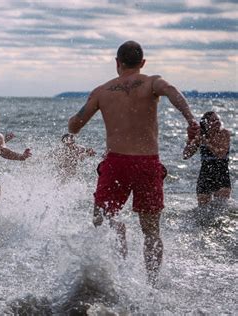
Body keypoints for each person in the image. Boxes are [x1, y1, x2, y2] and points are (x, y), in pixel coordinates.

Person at [68, 41, 199, 285]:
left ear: (117, 63)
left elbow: (75, 127)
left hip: (116, 163)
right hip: (147, 163)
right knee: (151, 231)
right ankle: (151, 285)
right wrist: (190, 119)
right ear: (142, 63)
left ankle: (118, 242)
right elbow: (173, 92)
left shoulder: (101, 91)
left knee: (102, 217)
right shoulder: (152, 82)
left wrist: (72, 120)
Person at [183, 111, 232, 207]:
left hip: (221, 174)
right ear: (206, 124)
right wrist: (191, 140)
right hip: (205, 174)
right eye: (213, 120)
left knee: (220, 209)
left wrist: (206, 142)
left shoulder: (224, 133)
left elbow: (221, 154)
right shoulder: (201, 135)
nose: (217, 122)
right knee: (202, 210)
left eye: (218, 119)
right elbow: (186, 155)